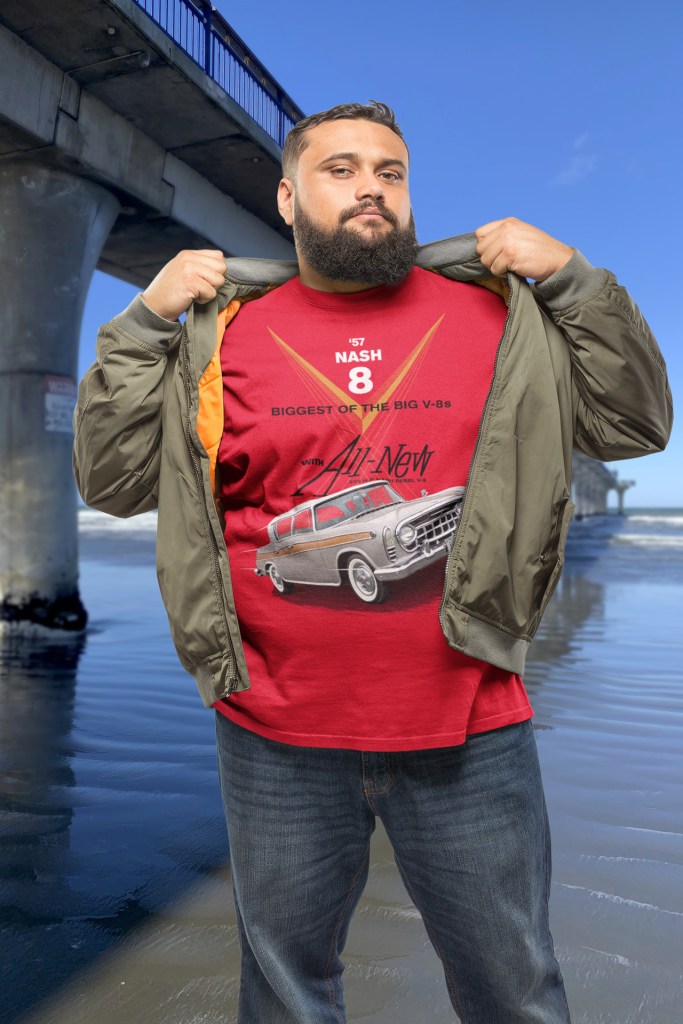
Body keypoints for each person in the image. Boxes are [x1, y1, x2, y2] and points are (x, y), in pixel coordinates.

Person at [73, 101, 672, 1023]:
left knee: (515, 990)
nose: (369, 190)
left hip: (470, 721)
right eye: (341, 169)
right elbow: (111, 481)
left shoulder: (498, 312)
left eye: (389, 173)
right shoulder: (219, 331)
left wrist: (572, 280)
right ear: (286, 196)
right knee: (285, 997)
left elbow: (636, 425)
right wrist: (145, 323)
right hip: (272, 735)